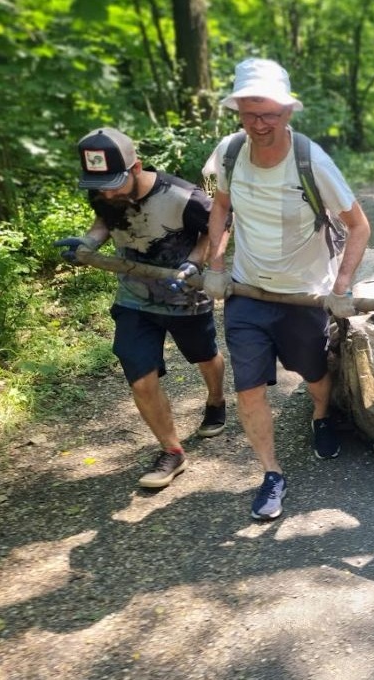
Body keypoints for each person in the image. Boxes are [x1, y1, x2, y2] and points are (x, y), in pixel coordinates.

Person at [202, 58, 372, 520]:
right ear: (238, 110)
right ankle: (271, 474)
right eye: (250, 114)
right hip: (248, 294)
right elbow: (220, 208)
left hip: (304, 296)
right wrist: (216, 264)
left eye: (270, 115)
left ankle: (321, 415)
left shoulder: (311, 160)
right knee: (249, 388)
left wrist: (342, 285)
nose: (260, 125)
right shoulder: (229, 153)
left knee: (314, 373)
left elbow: (358, 226)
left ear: (288, 113)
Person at [54, 127, 227, 489]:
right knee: (141, 378)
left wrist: (196, 263)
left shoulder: (183, 196)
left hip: (185, 296)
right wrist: (87, 244)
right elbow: (105, 221)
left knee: (205, 357)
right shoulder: (103, 190)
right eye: (99, 186)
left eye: (115, 184)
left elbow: (218, 227)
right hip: (134, 298)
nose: (107, 193)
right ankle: (172, 451)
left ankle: (216, 400)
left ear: (136, 168)